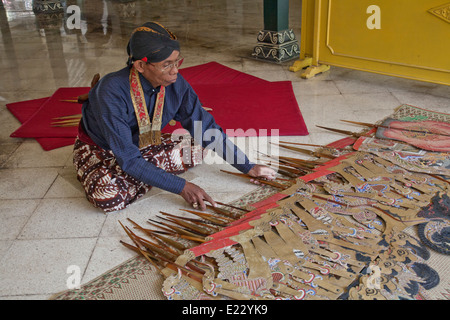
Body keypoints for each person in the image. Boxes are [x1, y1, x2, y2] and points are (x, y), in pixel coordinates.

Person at [73, 22, 276, 213]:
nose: (175, 70)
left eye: (177, 61)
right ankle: (148, 171)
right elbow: (126, 157)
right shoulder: (111, 90)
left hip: (143, 146)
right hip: (103, 149)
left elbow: (205, 127)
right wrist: (181, 186)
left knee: (199, 148)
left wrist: (247, 166)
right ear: (140, 66)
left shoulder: (175, 83)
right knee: (108, 197)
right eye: (167, 64)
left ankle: (146, 173)